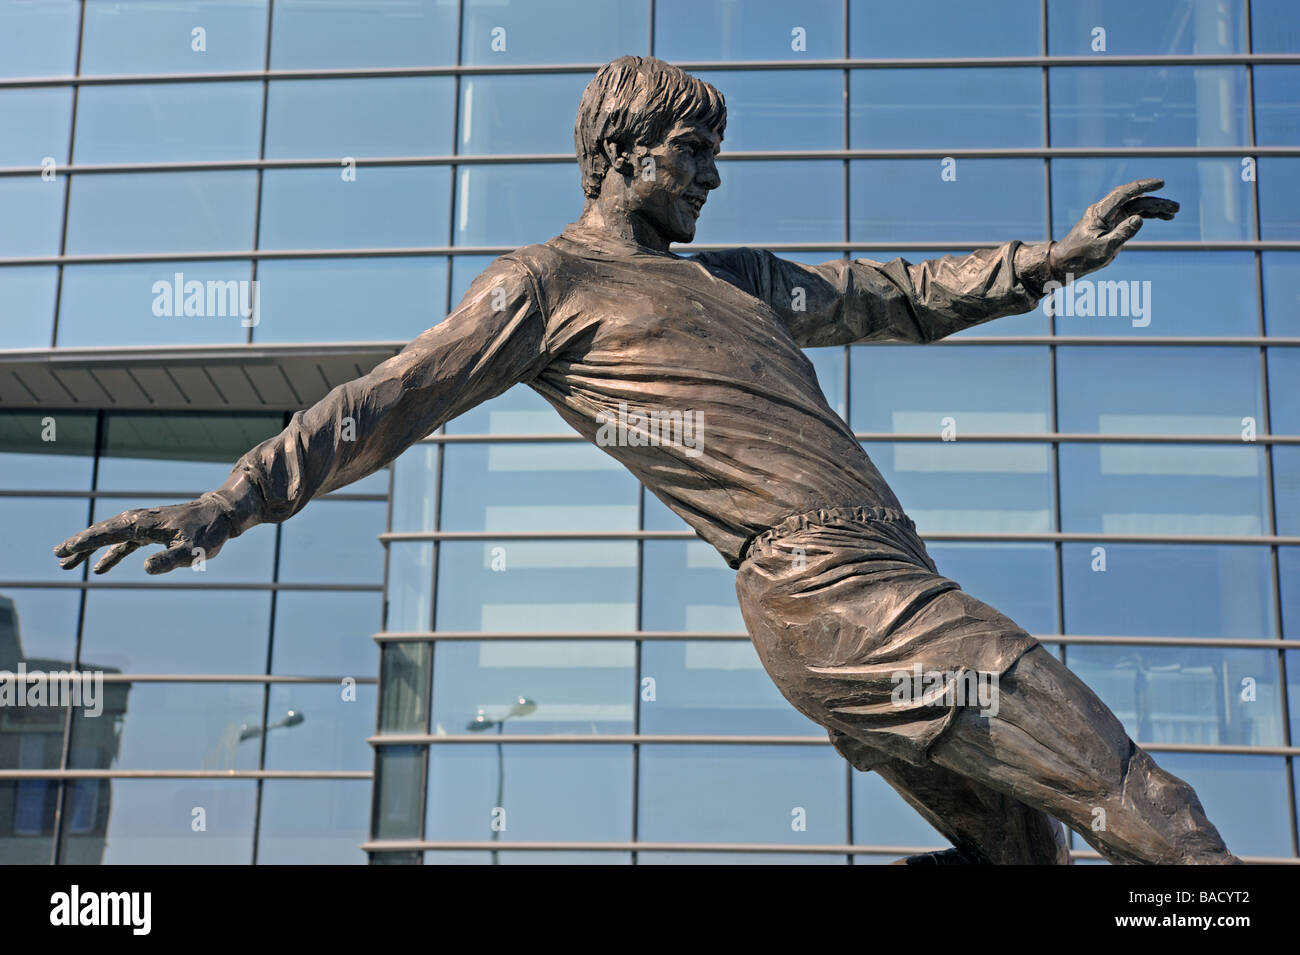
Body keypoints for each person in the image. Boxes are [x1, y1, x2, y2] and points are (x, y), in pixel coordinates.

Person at [54, 55, 1238, 864]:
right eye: (691, 154)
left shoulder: (739, 281)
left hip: (866, 587)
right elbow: (384, 400)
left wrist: (1055, 258)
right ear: (621, 156)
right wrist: (230, 498)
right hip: (836, 594)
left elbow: (902, 297)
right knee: (1150, 808)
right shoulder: (546, 285)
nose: (712, 178)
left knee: (1024, 852)